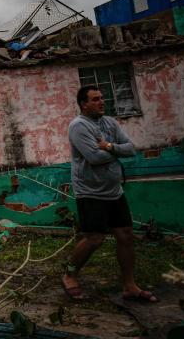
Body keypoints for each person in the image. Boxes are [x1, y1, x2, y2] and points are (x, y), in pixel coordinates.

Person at [62, 85, 158, 302]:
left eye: (102, 98)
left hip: (114, 190)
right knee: (94, 239)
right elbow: (94, 158)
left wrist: (108, 146)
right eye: (95, 99)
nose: (102, 102)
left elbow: (131, 148)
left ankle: (129, 285)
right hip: (90, 191)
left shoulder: (110, 122)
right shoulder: (78, 126)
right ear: (83, 104)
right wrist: (116, 151)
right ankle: (69, 274)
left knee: (125, 234)